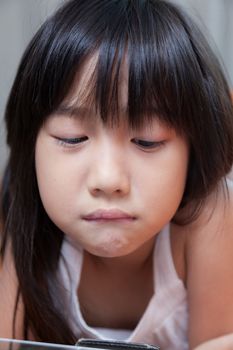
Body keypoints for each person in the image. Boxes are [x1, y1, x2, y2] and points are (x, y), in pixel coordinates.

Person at [0, 0, 233, 349]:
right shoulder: (18, 216)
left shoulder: (209, 216)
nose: (108, 180)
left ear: (195, 151)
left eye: (146, 140)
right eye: (72, 138)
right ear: (29, 144)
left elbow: (220, 340)